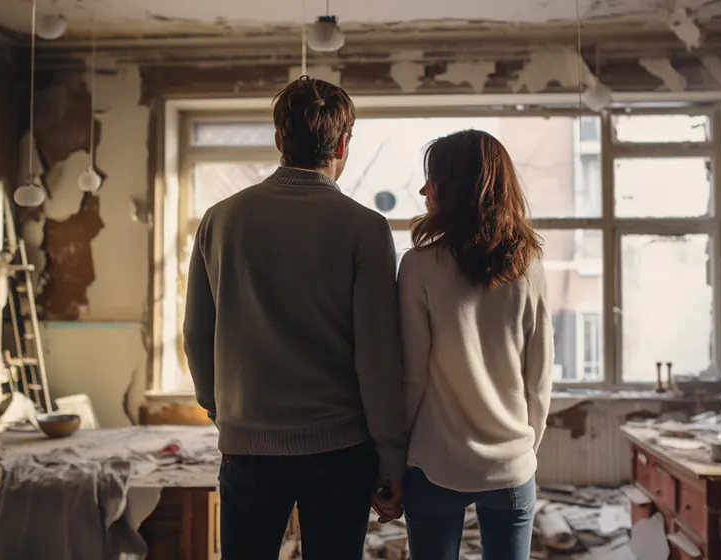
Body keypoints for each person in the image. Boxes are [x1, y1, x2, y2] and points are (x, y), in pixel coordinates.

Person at [183, 76, 406, 559]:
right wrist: (391, 454)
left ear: (279, 139)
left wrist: (225, 412)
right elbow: (378, 355)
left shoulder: (221, 219)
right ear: (344, 143)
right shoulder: (366, 228)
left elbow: (197, 336)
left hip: (248, 444)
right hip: (341, 448)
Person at [398, 129, 554, 560]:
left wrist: (395, 455)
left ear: (455, 187)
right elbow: (539, 377)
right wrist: (526, 449)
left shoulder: (417, 266)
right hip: (511, 463)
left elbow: (410, 376)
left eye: (433, 179)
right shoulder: (529, 264)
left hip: (434, 463)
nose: (423, 189)